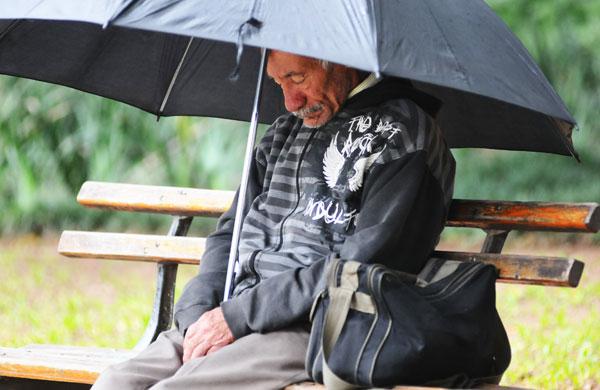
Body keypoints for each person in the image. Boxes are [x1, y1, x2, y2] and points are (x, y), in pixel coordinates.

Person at [92, 50, 455, 390]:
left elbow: (360, 269)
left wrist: (238, 318)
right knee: (116, 382)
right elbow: (227, 236)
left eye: (297, 78)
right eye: (278, 83)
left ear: (339, 60)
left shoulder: (405, 133)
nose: (290, 102)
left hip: (317, 327)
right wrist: (199, 312)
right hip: (236, 313)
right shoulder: (284, 131)